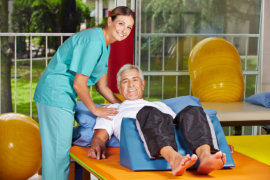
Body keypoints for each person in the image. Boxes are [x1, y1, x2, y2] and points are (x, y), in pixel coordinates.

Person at [34, 6, 134, 180]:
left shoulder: (105, 45)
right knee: (58, 159)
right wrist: (95, 110)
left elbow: (102, 87)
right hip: (55, 93)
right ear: (109, 20)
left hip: (62, 95)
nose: (124, 30)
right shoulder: (93, 41)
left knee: (57, 157)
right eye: (121, 23)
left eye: (129, 27)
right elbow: (79, 84)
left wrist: (123, 105)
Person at [88, 64, 226, 176]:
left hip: (171, 135)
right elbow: (100, 137)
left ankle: (206, 156)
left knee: (193, 110)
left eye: (135, 80)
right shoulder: (112, 109)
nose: (130, 85)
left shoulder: (159, 105)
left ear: (143, 84)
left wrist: (220, 143)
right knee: (149, 112)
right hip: (145, 142)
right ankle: (174, 159)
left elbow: (179, 126)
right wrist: (96, 146)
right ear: (118, 87)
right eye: (125, 81)